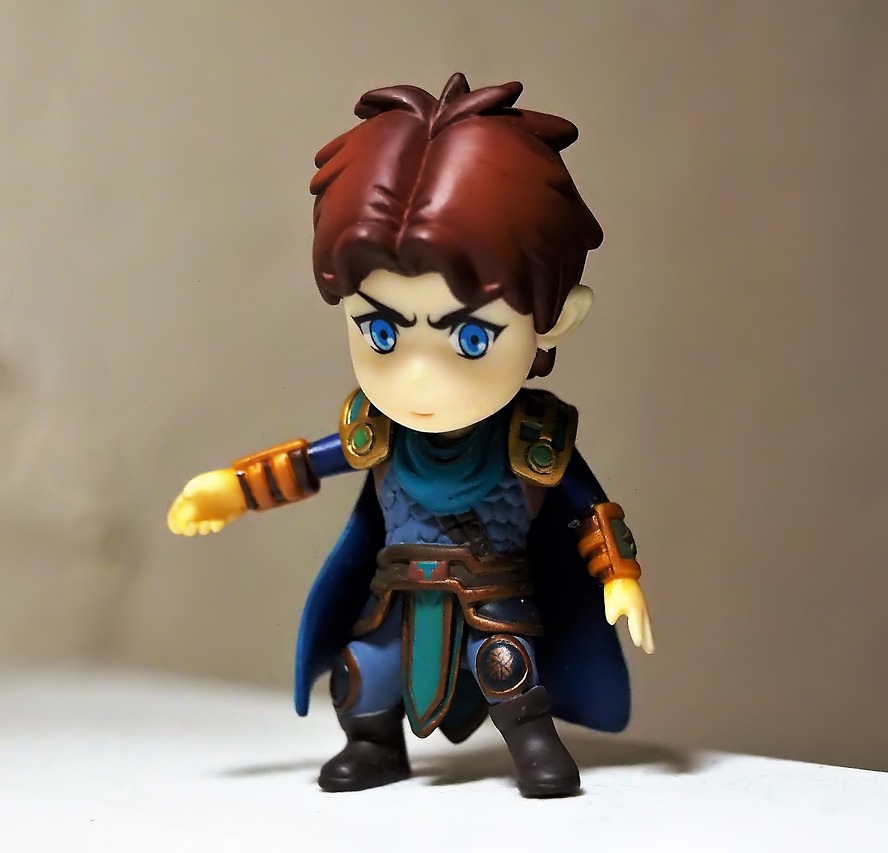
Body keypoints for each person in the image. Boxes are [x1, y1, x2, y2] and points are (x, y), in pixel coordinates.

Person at [167, 73, 655, 798]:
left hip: (494, 594)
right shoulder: (377, 429)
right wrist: (233, 489)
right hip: (396, 593)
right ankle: (373, 743)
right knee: (365, 673)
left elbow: (590, 508)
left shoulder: (532, 437)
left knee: (508, 670)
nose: (419, 381)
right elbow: (310, 462)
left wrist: (619, 575)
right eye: (382, 332)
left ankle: (533, 743)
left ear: (555, 320)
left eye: (470, 338)